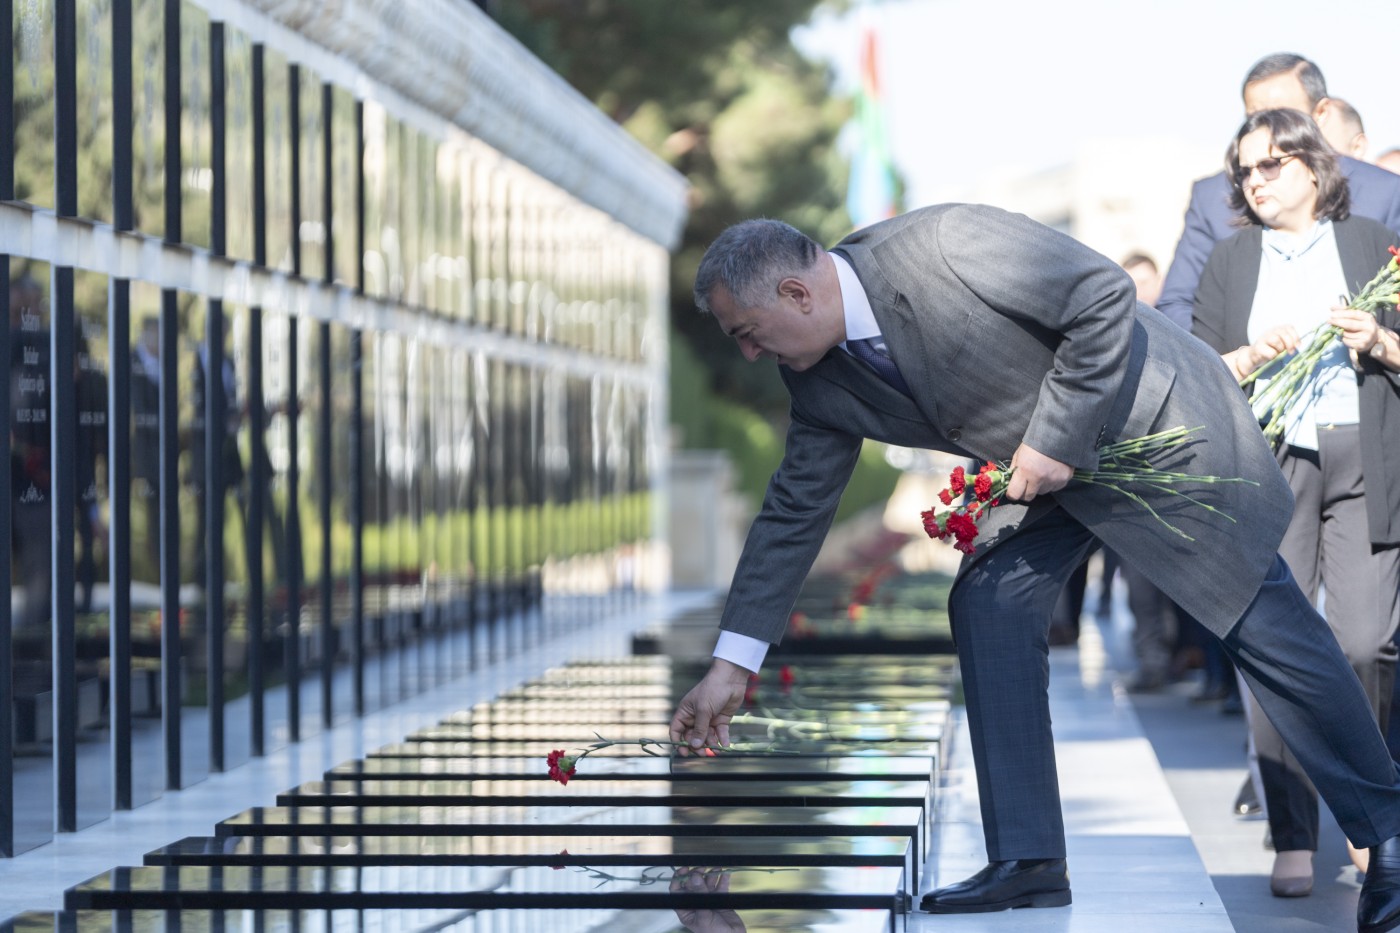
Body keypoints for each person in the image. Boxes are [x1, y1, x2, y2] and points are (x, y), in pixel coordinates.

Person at [666, 206, 1400, 932]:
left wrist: (1053, 436)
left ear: (796, 294)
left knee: (1260, 622)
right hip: (1054, 472)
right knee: (989, 598)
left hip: (1154, 423)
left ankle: (1390, 835)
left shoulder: (945, 244)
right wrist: (734, 662)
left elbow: (1103, 295)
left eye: (748, 334)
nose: (750, 356)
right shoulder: (819, 381)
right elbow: (794, 511)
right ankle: (1029, 861)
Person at [1194, 108, 1400, 900]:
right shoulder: (1230, 258)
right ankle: (1290, 828)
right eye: (1246, 170)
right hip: (1270, 464)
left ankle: (1368, 812)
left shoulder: (1372, 240)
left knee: (1362, 643)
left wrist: (1377, 341)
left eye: (1273, 164)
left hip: (1365, 459)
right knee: (1277, 653)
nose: (1257, 180)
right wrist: (1247, 355)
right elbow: (1199, 367)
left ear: (1315, 167)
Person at [1157, 53, 1400, 331]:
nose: (1266, 126)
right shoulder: (1214, 199)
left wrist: (1378, 347)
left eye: (1282, 114)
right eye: (1255, 117)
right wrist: (1232, 362)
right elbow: (1176, 305)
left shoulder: (1384, 192)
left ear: (1320, 113)